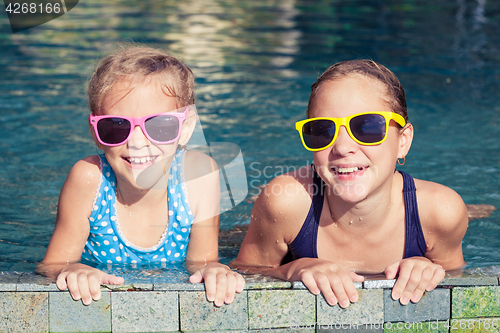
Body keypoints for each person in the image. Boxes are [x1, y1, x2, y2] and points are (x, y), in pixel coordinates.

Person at [232, 59, 468, 308]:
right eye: (322, 130)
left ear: (403, 141)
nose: (343, 148)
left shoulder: (440, 213)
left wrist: (430, 269)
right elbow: (245, 270)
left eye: (366, 127)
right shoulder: (285, 203)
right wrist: (291, 270)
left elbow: (459, 282)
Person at [37, 46, 245, 306]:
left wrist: (213, 270)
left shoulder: (199, 176)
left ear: (186, 127)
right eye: (116, 127)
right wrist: (71, 270)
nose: (137, 142)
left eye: (159, 125)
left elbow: (202, 262)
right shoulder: (89, 178)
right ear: (95, 133)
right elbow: (53, 264)